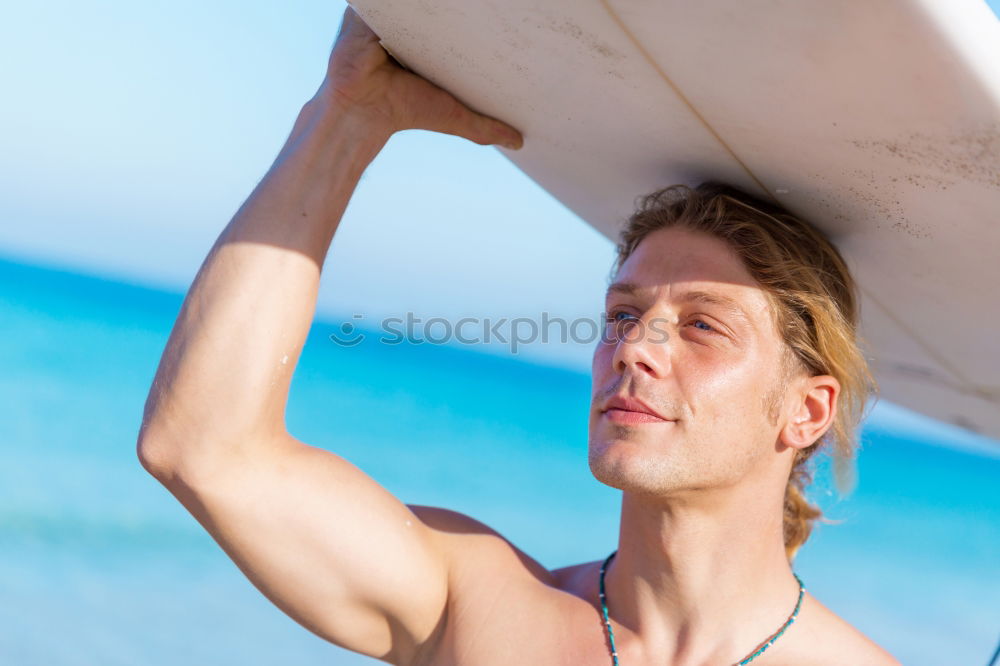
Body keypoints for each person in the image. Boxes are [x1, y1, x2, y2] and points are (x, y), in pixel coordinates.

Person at [136, 7, 900, 665]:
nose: (634, 349)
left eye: (702, 325)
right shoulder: (477, 608)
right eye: (624, 316)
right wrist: (345, 119)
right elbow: (202, 446)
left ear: (806, 410)